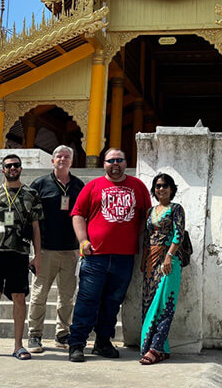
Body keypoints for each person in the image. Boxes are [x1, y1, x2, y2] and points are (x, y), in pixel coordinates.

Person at [67, 148, 152, 363]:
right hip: (96, 256)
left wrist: (134, 236)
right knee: (88, 300)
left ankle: (103, 342)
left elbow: (145, 216)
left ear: (126, 162)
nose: (115, 164)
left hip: (124, 257)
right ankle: (77, 343)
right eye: (111, 160)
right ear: (103, 163)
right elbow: (77, 214)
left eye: (119, 160)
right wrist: (83, 241)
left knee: (112, 302)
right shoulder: (93, 186)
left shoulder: (137, 186)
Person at [0, 153, 43, 361]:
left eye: (16, 165)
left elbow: (36, 227)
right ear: (2, 169)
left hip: (19, 253)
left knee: (19, 298)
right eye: (9, 166)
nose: (13, 168)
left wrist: (37, 255)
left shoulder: (31, 194)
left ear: (21, 168)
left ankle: (18, 345)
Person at [25, 145, 84, 353]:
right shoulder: (40, 184)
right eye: (59, 156)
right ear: (52, 161)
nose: (62, 159)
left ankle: (62, 334)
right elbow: (29, 218)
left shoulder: (78, 185)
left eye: (67, 156)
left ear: (71, 161)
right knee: (39, 294)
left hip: (70, 250)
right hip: (46, 250)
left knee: (67, 295)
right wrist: (35, 252)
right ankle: (34, 335)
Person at [139, 172, 185, 364]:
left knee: (165, 304)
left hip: (169, 261)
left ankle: (156, 348)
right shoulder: (151, 211)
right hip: (151, 261)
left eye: (165, 185)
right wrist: (144, 260)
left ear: (172, 189)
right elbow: (146, 236)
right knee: (150, 304)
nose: (161, 189)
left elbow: (179, 234)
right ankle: (160, 349)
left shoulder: (176, 209)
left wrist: (169, 256)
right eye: (157, 186)